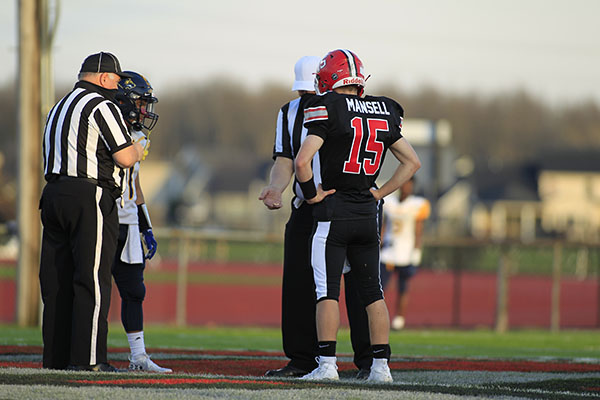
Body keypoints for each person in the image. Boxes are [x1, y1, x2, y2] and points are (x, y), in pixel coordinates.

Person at [294, 49, 421, 382]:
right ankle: (381, 368)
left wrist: (312, 196)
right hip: (368, 212)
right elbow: (412, 162)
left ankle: (326, 365)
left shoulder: (328, 107)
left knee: (327, 292)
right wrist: (379, 193)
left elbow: (302, 162)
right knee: (373, 293)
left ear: (328, 79)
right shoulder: (384, 108)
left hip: (334, 211)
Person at [259, 56, 373, 379]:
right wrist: (275, 188)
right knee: (298, 283)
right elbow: (285, 160)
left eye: (312, 93)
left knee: (360, 285)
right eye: (303, 95)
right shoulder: (289, 113)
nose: (308, 101)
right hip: (307, 207)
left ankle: (369, 360)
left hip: (345, 206)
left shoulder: (350, 109)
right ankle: (302, 359)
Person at [39, 52, 143, 371]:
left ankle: (56, 359)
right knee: (93, 278)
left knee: (56, 281)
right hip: (89, 195)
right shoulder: (101, 104)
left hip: (53, 194)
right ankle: (89, 359)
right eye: (114, 79)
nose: (117, 86)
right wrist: (139, 148)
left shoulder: (59, 105)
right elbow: (125, 157)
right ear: (101, 78)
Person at [111, 71, 171, 372]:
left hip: (129, 222)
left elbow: (135, 185)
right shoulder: (104, 129)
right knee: (91, 289)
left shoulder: (138, 138)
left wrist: (146, 224)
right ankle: (84, 352)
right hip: (103, 218)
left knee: (134, 290)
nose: (145, 111)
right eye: (140, 103)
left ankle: (138, 357)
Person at [380, 176, 430, 330]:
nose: (406, 187)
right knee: (379, 288)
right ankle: (380, 318)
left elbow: (419, 229)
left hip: (405, 253)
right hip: (388, 252)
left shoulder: (417, 204)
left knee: (403, 288)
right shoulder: (390, 201)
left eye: (409, 184)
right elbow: (384, 225)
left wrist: (416, 251)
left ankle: (399, 319)